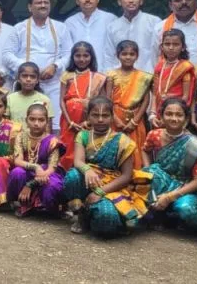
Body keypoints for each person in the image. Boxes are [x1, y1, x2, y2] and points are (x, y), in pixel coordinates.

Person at [63, 96, 148, 236]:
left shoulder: (123, 141)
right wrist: (88, 170)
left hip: (113, 187)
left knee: (106, 220)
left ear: (112, 116)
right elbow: (78, 161)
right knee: (73, 176)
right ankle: (82, 214)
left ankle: (102, 215)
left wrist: (100, 192)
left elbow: (127, 176)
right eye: (95, 115)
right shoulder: (83, 135)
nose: (100, 119)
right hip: (89, 181)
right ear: (88, 116)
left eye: (105, 115)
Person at [3, 0, 72, 131]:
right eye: (38, 2)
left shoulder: (61, 28)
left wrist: (55, 66)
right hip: (27, 85)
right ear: (29, 7)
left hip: (54, 84)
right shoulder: (19, 28)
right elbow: (7, 54)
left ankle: (51, 151)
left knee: (54, 125)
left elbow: (69, 54)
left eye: (46, 2)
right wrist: (28, 69)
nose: (43, 5)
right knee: (25, 124)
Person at [140, 98, 197, 231]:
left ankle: (172, 217)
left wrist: (171, 196)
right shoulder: (154, 135)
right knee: (150, 172)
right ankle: (159, 214)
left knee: (187, 211)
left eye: (179, 115)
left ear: (186, 119)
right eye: (169, 114)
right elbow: (145, 150)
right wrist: (147, 169)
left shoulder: (194, 144)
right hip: (160, 181)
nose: (174, 118)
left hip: (183, 186)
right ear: (161, 116)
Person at [7, 104, 65, 217]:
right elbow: (18, 161)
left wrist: (31, 184)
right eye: (32, 119)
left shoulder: (53, 141)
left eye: (41, 120)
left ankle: (47, 208)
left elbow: (52, 168)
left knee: (52, 185)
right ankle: (22, 204)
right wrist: (36, 167)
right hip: (29, 170)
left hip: (47, 174)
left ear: (47, 121)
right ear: (26, 120)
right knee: (17, 172)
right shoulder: (21, 136)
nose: (36, 123)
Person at [58, 42, 106, 170]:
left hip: (88, 121)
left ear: (92, 57)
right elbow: (62, 101)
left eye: (86, 55)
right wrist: (70, 122)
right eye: (78, 56)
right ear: (72, 57)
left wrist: (89, 122)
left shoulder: (98, 77)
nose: (82, 59)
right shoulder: (66, 75)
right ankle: (65, 176)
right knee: (67, 148)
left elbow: (100, 102)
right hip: (68, 121)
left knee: (86, 146)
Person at [106, 40, 152, 169]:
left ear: (137, 56)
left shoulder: (144, 77)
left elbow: (146, 100)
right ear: (118, 55)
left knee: (136, 148)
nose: (128, 57)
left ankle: (137, 180)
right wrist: (116, 119)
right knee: (115, 147)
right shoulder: (111, 74)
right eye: (124, 54)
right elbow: (107, 99)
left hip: (136, 119)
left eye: (132, 54)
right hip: (115, 117)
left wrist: (135, 121)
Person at [104, 0, 161, 72]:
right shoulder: (113, 26)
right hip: (120, 80)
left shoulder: (154, 22)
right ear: (119, 1)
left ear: (141, 1)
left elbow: (160, 52)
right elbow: (109, 56)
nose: (131, 0)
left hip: (149, 75)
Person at [149, 29, 196, 128]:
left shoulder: (185, 67)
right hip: (158, 114)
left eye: (175, 44)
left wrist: (172, 113)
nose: (171, 47)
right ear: (162, 47)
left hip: (176, 115)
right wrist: (152, 114)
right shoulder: (159, 66)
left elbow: (186, 97)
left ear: (183, 47)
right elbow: (155, 93)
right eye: (167, 44)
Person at [65, 0, 117, 72]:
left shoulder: (110, 19)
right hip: (78, 75)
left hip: (106, 72)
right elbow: (66, 51)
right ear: (77, 1)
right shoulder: (70, 22)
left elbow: (117, 48)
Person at [6, 62, 52, 130]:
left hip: (38, 139)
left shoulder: (45, 100)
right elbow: (6, 125)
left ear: (37, 80)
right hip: (15, 138)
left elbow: (48, 127)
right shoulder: (9, 99)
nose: (28, 79)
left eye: (32, 76)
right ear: (18, 78)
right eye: (24, 76)